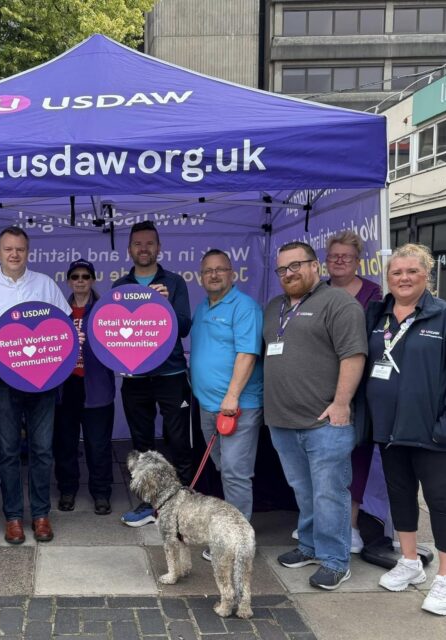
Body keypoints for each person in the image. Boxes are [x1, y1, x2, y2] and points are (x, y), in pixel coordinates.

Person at [357, 244, 446, 615]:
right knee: (401, 498)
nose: (404, 278)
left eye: (412, 271)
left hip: (435, 435)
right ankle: (410, 562)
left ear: (427, 275)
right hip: (390, 432)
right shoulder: (378, 315)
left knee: (443, 504)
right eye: (396, 273)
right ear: (388, 279)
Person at [263, 241, 367, 591]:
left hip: (324, 422)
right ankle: (308, 546)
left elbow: (353, 355)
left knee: (329, 492)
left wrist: (341, 403)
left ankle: (336, 560)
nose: (288, 274)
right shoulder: (273, 307)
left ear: (314, 267)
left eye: (296, 266)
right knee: (303, 490)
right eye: (282, 269)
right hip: (282, 421)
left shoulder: (339, 303)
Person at [0, 226, 71, 544]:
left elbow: (65, 328)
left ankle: (41, 515)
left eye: (20, 249)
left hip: (43, 383)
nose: (14, 254)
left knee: (42, 450)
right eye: (8, 249)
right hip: (3, 383)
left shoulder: (45, 284)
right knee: (9, 451)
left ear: (28, 252)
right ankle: (13, 517)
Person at [113, 221, 192, 528]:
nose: (143, 249)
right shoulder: (120, 286)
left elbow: (184, 326)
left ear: (159, 248)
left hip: (171, 374)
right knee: (142, 444)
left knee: (177, 440)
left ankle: (181, 507)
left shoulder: (174, 282)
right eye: (137, 244)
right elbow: (113, 336)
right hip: (135, 378)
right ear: (129, 249)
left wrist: (163, 306)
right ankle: (149, 504)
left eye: (149, 243)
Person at [190, 249, 263, 530]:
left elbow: (247, 354)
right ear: (201, 277)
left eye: (220, 269)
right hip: (209, 405)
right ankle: (233, 523)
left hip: (237, 405)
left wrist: (232, 395)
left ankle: (237, 537)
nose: (214, 275)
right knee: (224, 467)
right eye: (208, 270)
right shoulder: (202, 307)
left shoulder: (244, 307)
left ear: (232, 274)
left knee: (235, 471)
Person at [325, 231, 383, 554]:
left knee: (356, 454)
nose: (340, 261)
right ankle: (324, 522)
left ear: (358, 261)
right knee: (325, 456)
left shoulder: (373, 294)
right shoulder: (318, 292)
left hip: (361, 389)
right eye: (334, 256)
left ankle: (351, 524)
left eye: (346, 256)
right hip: (320, 386)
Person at [53, 259, 115, 515]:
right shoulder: (58, 311)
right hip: (65, 389)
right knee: (65, 444)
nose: (80, 281)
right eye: (75, 276)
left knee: (98, 445)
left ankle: (101, 493)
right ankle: (67, 489)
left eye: (85, 276)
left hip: (97, 387)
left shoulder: (104, 311)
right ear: (69, 281)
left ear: (92, 280)